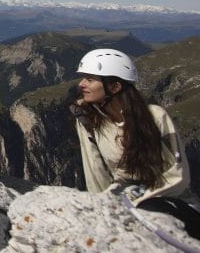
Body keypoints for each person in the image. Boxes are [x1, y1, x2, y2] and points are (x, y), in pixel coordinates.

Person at [71, 48, 200, 239]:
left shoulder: (155, 117)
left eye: (90, 79)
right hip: (126, 201)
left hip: (173, 202)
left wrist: (135, 198)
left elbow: (179, 176)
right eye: (83, 78)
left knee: (149, 210)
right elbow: (95, 171)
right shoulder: (88, 121)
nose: (81, 84)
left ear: (115, 87)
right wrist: (100, 207)